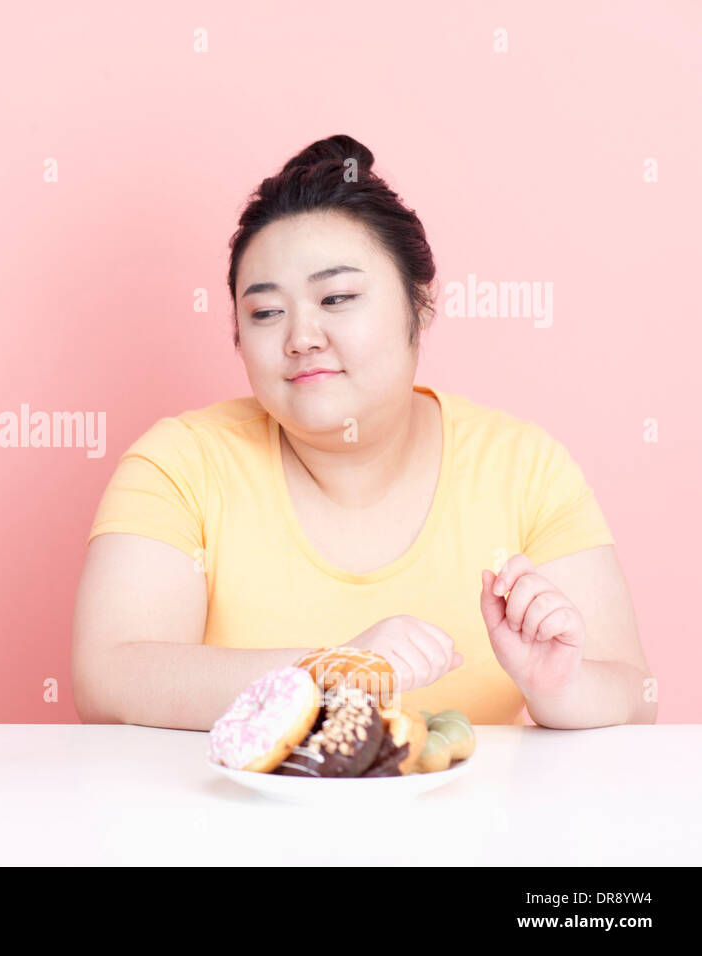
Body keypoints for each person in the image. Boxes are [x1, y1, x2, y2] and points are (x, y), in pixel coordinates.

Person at [72, 134, 654, 731]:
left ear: (419, 304)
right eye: (266, 312)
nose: (301, 336)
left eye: (338, 297)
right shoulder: (178, 465)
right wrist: (332, 675)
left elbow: (636, 694)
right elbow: (110, 678)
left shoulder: (523, 467)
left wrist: (558, 688)